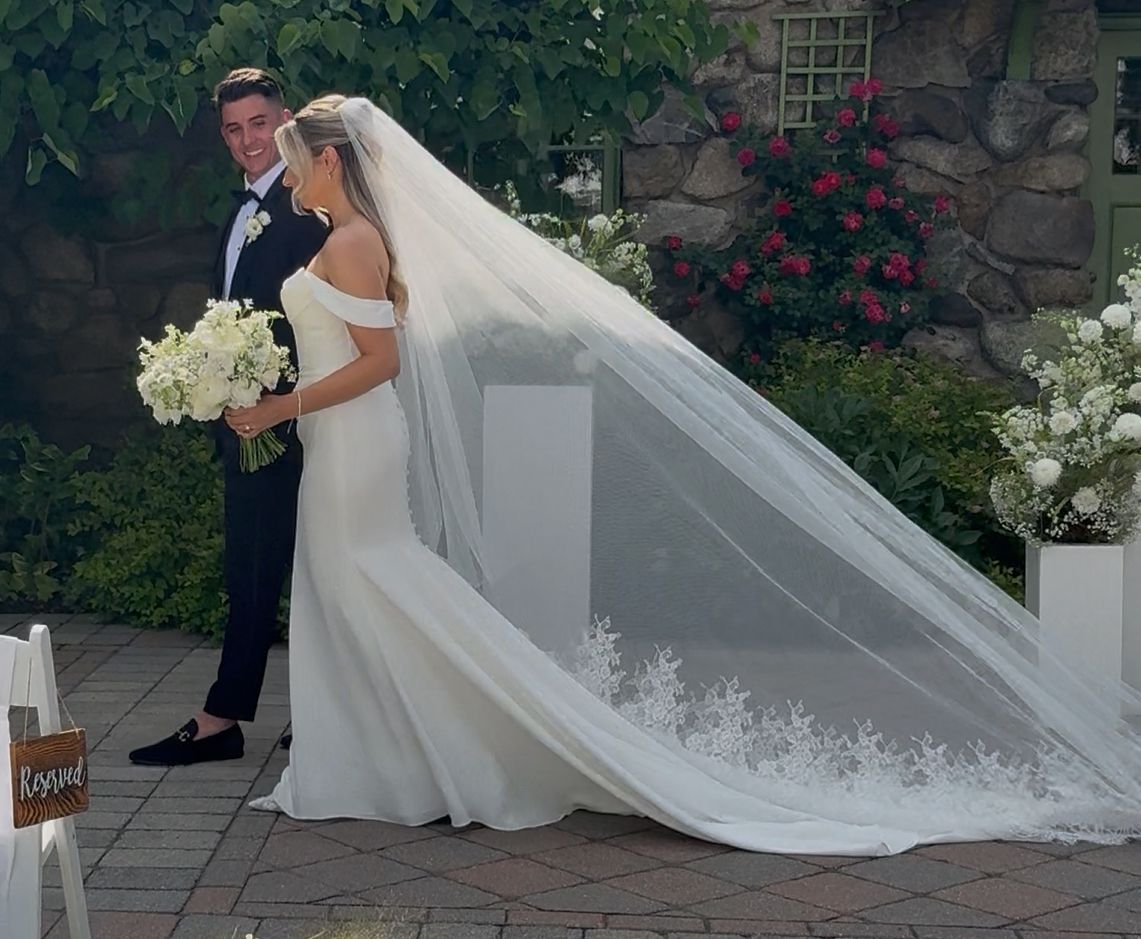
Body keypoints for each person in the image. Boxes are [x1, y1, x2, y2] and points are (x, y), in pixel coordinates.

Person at [226, 94, 1141, 854]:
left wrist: (274, 409)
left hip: (350, 438)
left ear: (333, 164)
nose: (287, 164)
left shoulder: (349, 241)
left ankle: (456, 748)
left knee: (374, 581)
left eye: (297, 153)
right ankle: (381, 757)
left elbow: (379, 362)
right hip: (341, 438)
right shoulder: (340, 234)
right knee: (354, 588)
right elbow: (340, 351)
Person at [129, 69, 327, 766]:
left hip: (302, 421)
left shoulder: (313, 209)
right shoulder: (240, 212)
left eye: (258, 123)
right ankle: (230, 716)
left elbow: (328, 320)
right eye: (232, 129)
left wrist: (277, 398)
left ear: (286, 118)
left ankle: (263, 717)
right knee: (251, 565)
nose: (247, 140)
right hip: (247, 421)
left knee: (310, 566)